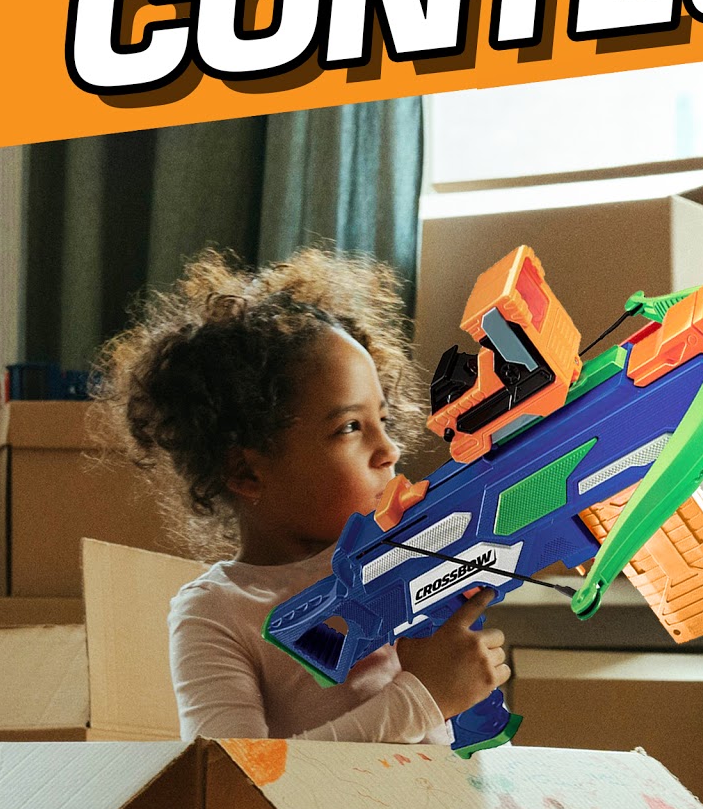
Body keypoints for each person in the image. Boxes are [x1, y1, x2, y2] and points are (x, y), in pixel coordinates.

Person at [98, 246, 508, 744]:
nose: (389, 449)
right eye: (350, 427)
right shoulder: (219, 610)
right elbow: (235, 773)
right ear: (246, 472)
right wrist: (424, 698)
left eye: (383, 419)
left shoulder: (408, 555)